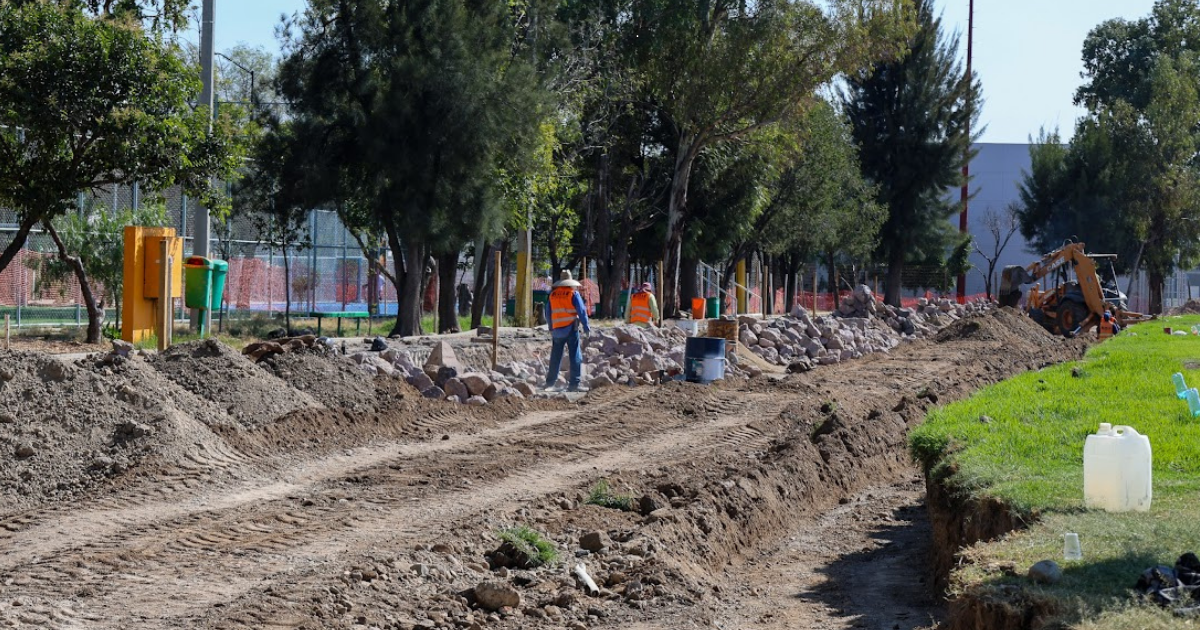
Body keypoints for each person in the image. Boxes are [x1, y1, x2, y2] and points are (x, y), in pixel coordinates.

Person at [544, 270, 591, 392]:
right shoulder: (572, 294)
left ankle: (549, 383)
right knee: (575, 355)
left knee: (555, 356)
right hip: (571, 329)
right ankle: (574, 384)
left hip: (557, 331)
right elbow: (581, 311)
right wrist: (586, 327)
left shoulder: (552, 295)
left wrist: (551, 327)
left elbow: (548, 313)